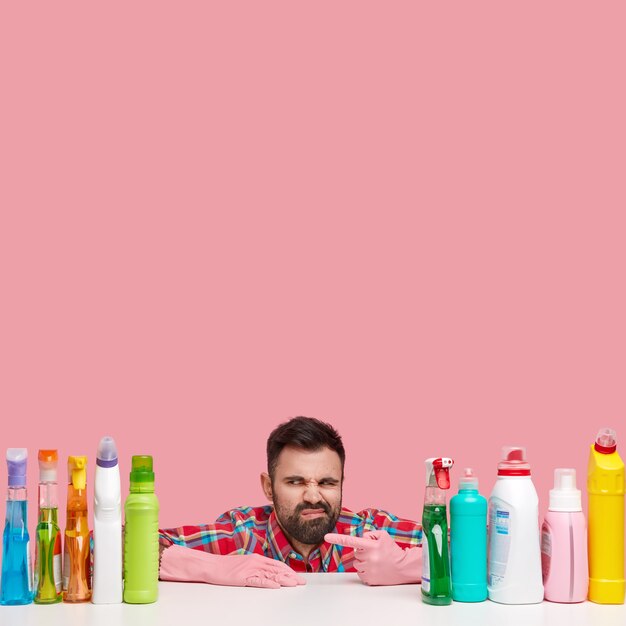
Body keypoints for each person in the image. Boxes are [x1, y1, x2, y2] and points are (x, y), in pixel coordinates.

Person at [159, 416, 422, 588]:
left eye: (327, 482)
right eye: (295, 482)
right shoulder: (242, 534)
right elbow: (126, 544)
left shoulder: (370, 534)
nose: (313, 496)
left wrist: (407, 565)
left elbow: (461, 544)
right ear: (268, 487)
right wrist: (211, 567)